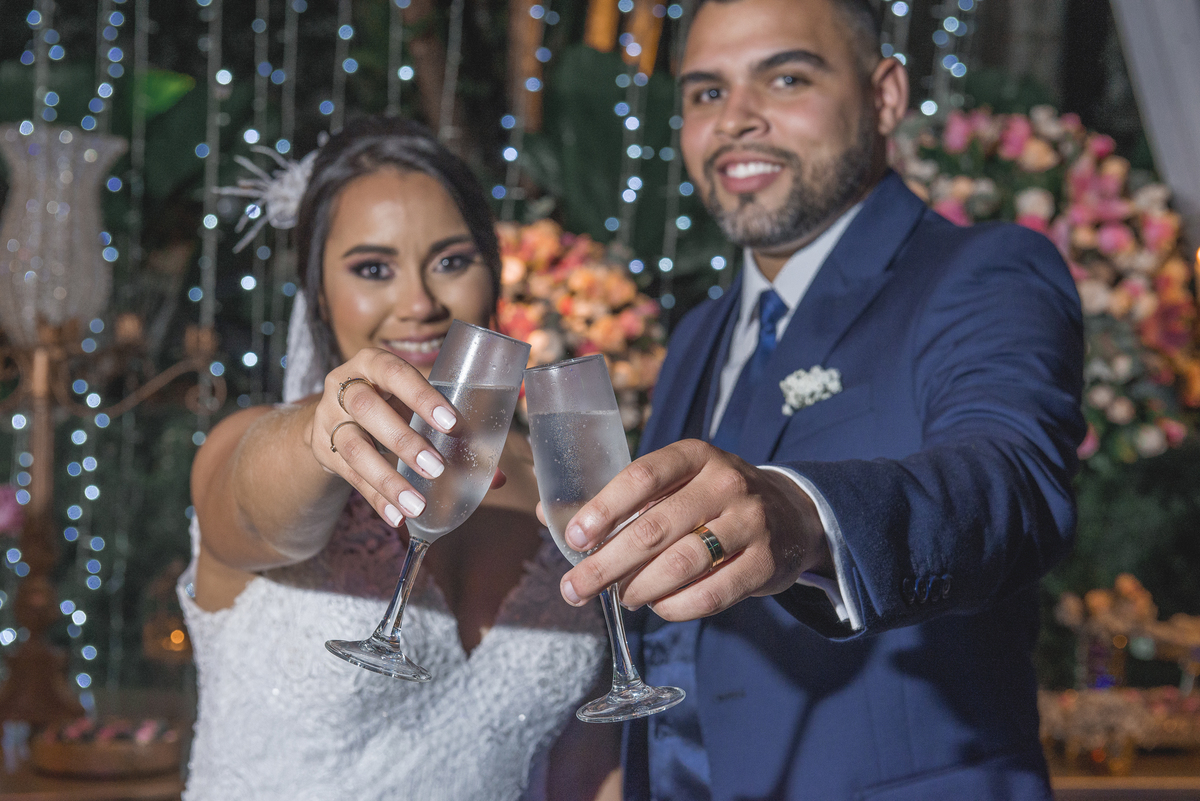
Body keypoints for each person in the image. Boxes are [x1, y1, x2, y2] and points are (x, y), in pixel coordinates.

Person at [550, 0, 1085, 798]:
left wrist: (801, 516)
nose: (736, 120)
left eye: (786, 77)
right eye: (704, 93)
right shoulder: (698, 332)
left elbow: (1008, 481)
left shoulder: (983, 271)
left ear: (885, 96)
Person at [180, 116, 620, 800]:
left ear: (492, 273)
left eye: (451, 261)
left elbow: (589, 769)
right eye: (372, 269)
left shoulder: (555, 475)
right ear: (318, 292)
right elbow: (257, 515)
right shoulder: (258, 444)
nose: (419, 304)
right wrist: (314, 433)